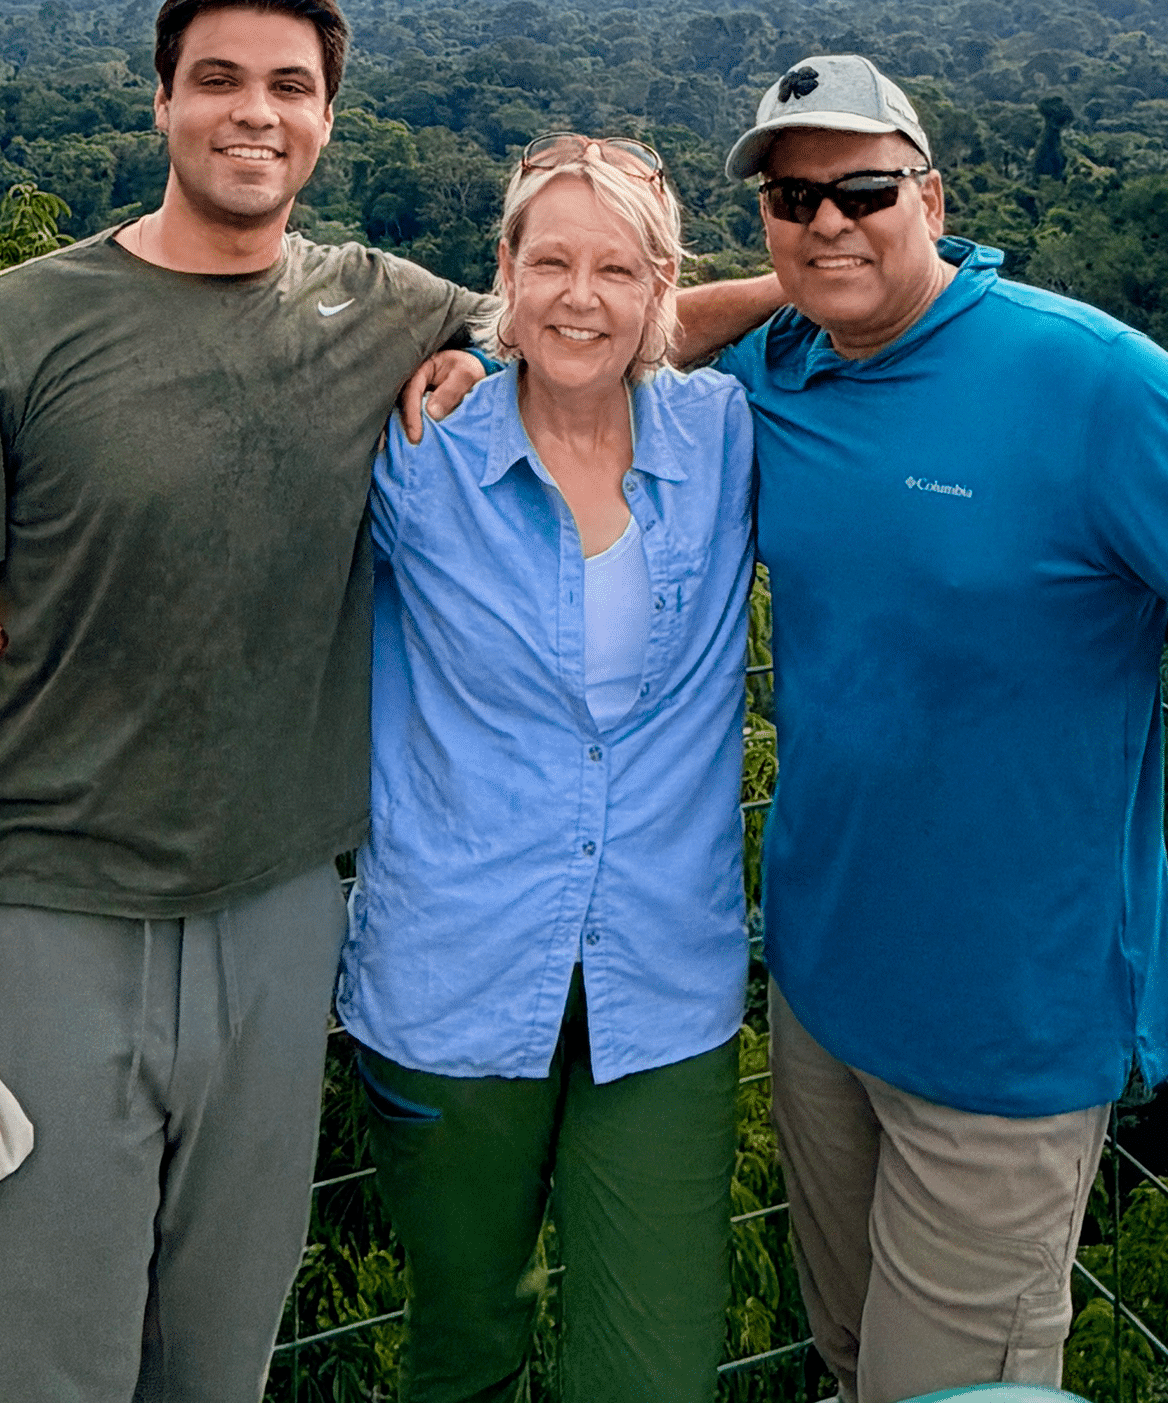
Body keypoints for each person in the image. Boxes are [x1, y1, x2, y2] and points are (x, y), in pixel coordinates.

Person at [0, 0, 776, 1403]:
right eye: (220, 82)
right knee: (56, 1368)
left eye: (288, 87)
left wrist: (837, 276)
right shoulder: (17, 326)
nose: (253, 114)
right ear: (162, 104)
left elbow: (594, 329)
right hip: (55, 904)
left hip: (279, 916)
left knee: (221, 1362)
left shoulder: (381, 308)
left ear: (326, 119)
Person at [712, 54, 1168, 1403]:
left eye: (865, 189)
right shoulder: (790, 363)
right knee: (851, 1362)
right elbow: (613, 325)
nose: (829, 221)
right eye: (793, 202)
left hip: (1006, 1029)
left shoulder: (1087, 383)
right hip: (822, 987)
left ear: (934, 194)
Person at [336, 136, 757, 1403]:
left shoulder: (729, 433)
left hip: (663, 977)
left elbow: (875, 318)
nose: (583, 297)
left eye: (618, 269)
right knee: (464, 1346)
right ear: (503, 279)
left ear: (661, 291)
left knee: (656, 1367)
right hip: (452, 972)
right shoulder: (417, 452)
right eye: (552, 263)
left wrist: (798, 277)